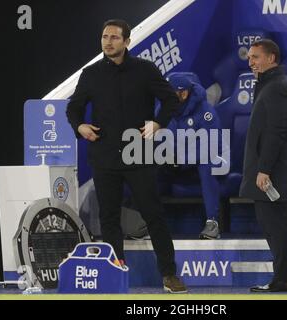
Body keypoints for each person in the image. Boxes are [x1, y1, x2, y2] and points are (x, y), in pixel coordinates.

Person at [66, 19, 187, 293]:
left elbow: (170, 100)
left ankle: (169, 275)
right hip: (104, 157)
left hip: (138, 155)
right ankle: (116, 271)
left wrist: (158, 123)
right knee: (108, 218)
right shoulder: (91, 74)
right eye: (104, 36)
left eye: (114, 37)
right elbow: (73, 109)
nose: (108, 42)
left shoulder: (145, 70)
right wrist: (80, 126)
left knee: (153, 215)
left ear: (127, 42)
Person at [239, 39, 287, 292]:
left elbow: (276, 132)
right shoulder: (269, 85)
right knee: (272, 226)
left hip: (270, 172)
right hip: (266, 169)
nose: (250, 62)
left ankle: (282, 280)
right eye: (249, 57)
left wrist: (264, 170)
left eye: (255, 57)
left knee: (275, 226)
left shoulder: (277, 87)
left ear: (271, 58)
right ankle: (281, 278)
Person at [165, 72, 226, 239]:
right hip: (176, 162)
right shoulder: (163, 108)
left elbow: (213, 145)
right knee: (144, 164)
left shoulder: (205, 111)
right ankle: (143, 223)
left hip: (200, 161)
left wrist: (184, 158)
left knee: (208, 165)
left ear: (183, 94)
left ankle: (212, 222)